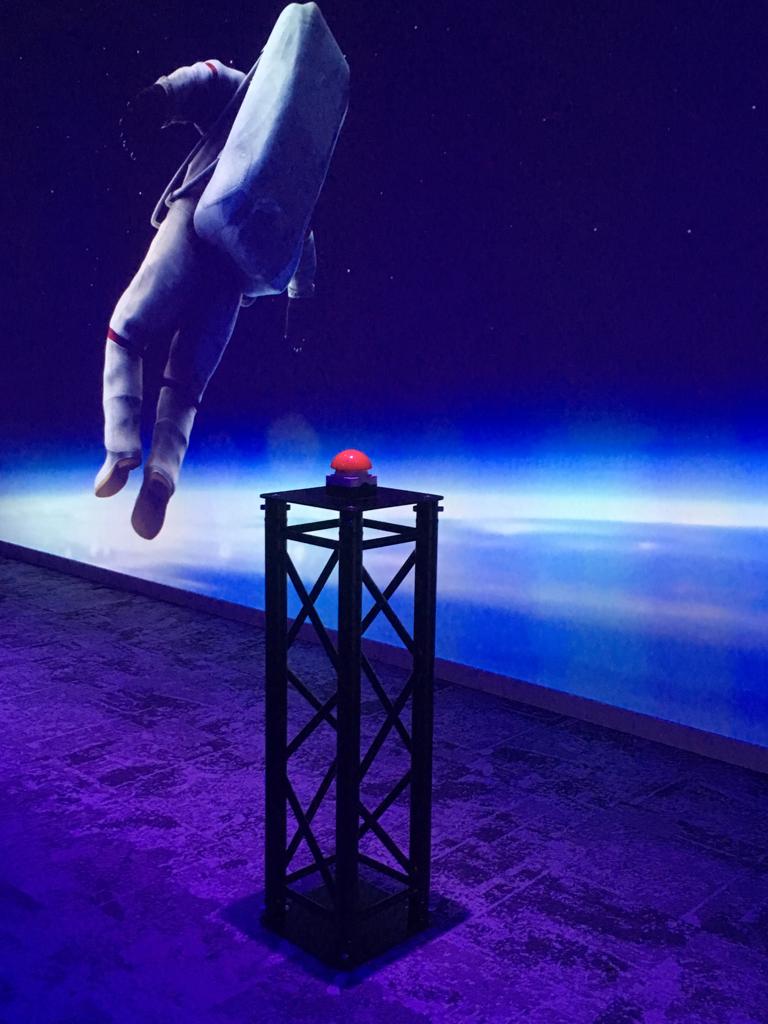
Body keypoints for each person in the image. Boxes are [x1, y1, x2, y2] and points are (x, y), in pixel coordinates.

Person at [95, 54, 319, 541]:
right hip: (234, 275)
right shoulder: (296, 157)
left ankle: (121, 447)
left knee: (126, 332)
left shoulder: (252, 92)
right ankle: (162, 472)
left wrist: (158, 99)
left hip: (194, 223)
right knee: (186, 385)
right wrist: (300, 298)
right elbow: (300, 234)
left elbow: (206, 79)